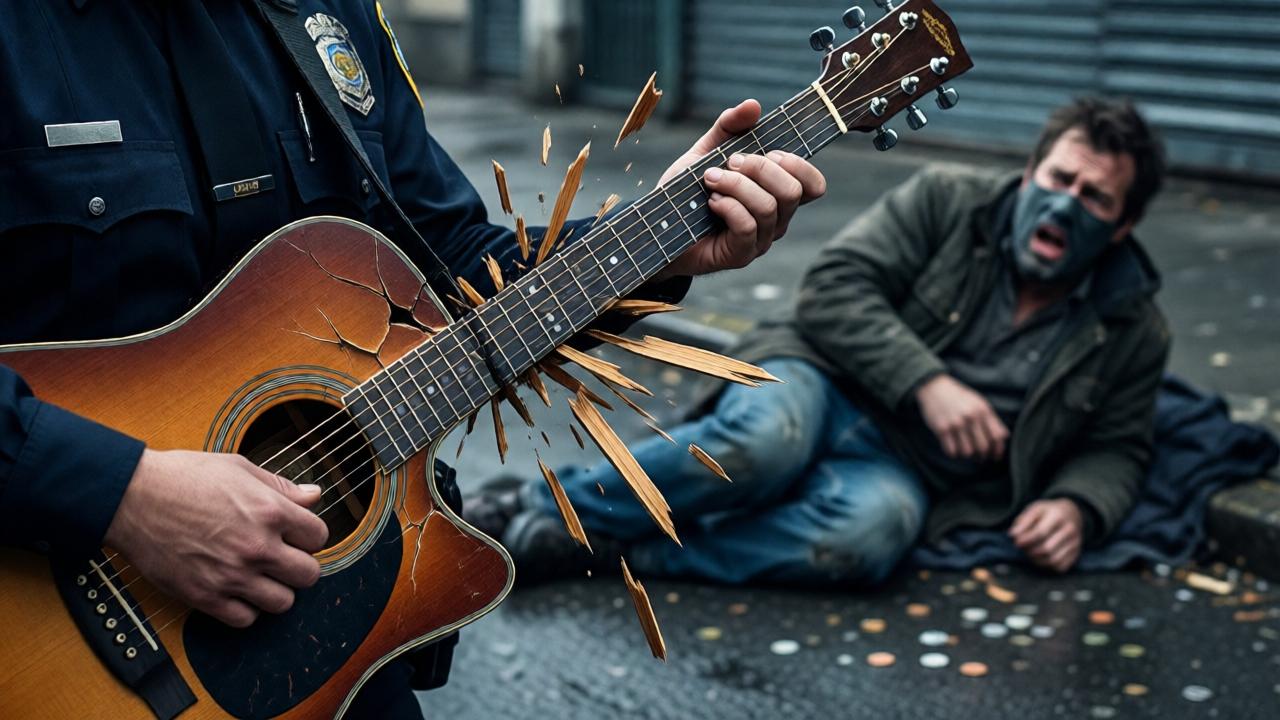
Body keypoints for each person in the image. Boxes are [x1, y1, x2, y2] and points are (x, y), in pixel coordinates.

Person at [0, 1, 824, 717]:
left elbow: (454, 272)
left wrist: (658, 240)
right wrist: (119, 493)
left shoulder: (323, 16)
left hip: (333, 640)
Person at [470, 96, 1170, 589]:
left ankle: (622, 554)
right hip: (822, 380)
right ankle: (542, 509)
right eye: (1059, 179)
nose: (1065, 202)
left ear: (1120, 228)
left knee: (868, 538)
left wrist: (1080, 505)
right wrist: (930, 382)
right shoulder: (949, 200)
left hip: (909, 469)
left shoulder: (1134, 326)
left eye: (1094, 198)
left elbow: (1120, 446)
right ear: (1030, 175)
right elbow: (834, 288)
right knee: (765, 440)